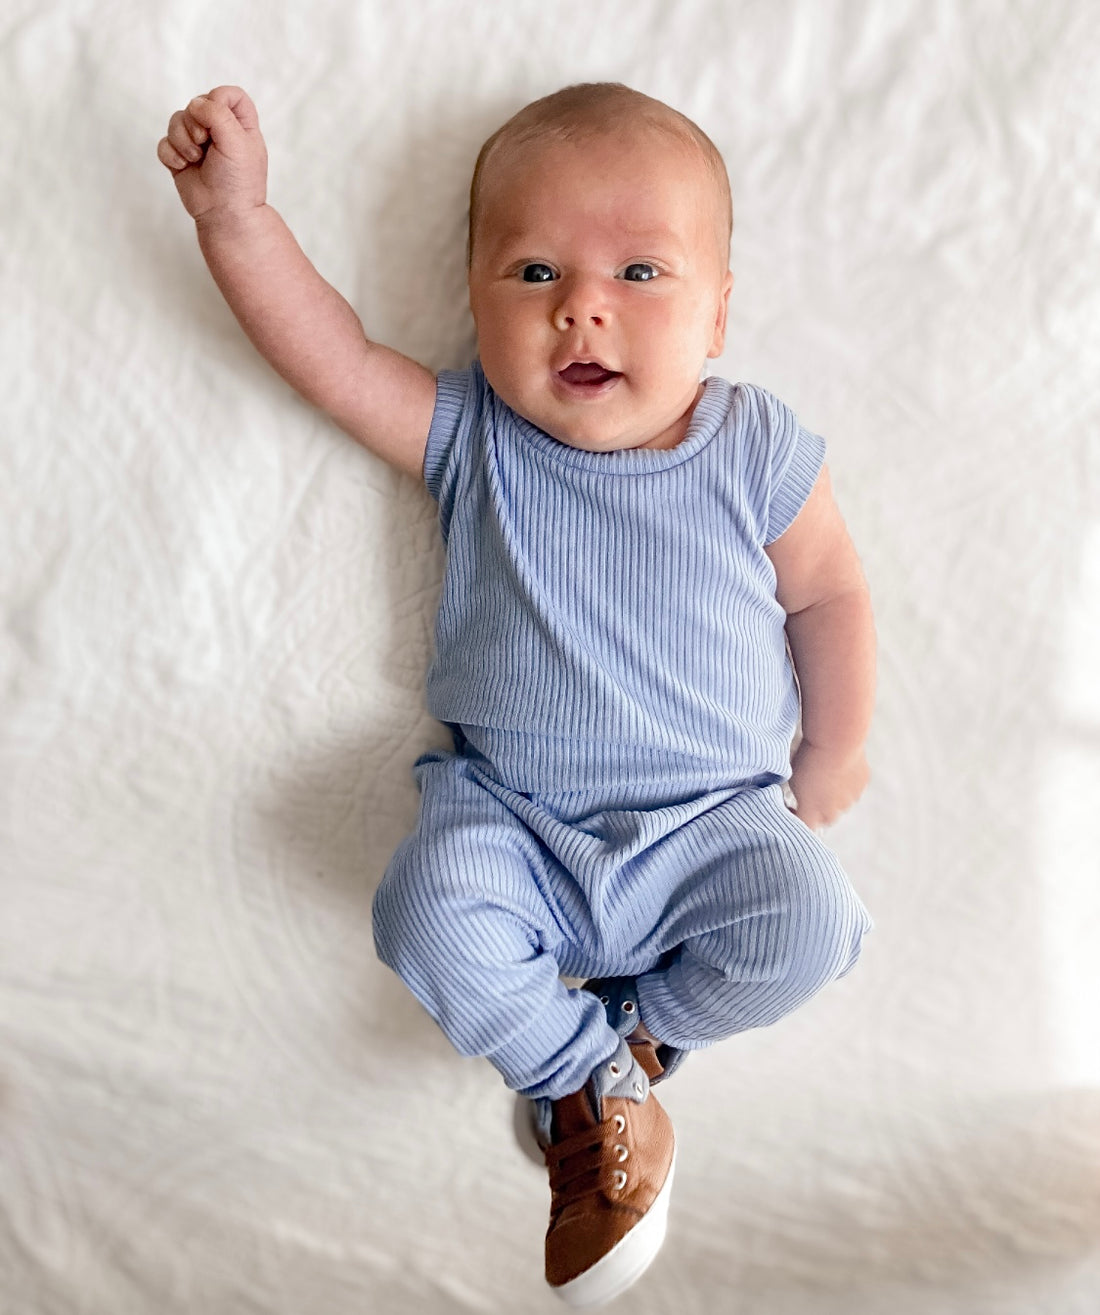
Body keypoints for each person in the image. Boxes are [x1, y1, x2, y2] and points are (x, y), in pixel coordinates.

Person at [159, 80, 874, 1308]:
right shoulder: (476, 433)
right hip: (516, 823)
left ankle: (633, 1045)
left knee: (811, 922)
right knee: (423, 911)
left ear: (716, 316)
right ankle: (586, 1081)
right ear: (476, 296)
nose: (583, 307)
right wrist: (238, 219)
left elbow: (830, 596)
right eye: (533, 272)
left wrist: (837, 745)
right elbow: (330, 359)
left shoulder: (752, 445)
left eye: (639, 275)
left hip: (711, 823)